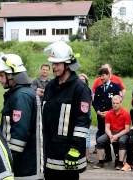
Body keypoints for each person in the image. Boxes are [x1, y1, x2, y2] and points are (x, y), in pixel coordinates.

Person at [0, 53, 44, 179]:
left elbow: (20, 133)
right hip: (24, 163)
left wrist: (7, 160)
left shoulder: (21, 96)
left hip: (24, 167)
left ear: (13, 76)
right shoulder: (19, 93)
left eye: (2, 75)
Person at [42, 41, 91, 180]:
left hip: (68, 153)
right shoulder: (50, 86)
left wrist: (75, 149)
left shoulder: (80, 89)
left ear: (68, 64)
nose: (54, 67)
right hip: (50, 152)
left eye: (57, 64)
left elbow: (83, 121)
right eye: (53, 64)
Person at [92, 68, 121, 163]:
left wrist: (109, 112)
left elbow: (118, 102)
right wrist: (98, 111)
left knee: (113, 136)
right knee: (102, 136)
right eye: (100, 76)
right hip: (101, 117)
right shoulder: (98, 88)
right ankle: (108, 156)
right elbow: (95, 102)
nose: (101, 78)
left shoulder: (116, 87)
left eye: (103, 75)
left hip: (112, 117)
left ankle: (117, 157)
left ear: (108, 75)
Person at [94, 95, 130, 170]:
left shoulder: (126, 113)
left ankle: (120, 163)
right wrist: (110, 136)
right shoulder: (109, 113)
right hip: (111, 132)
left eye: (117, 103)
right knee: (100, 140)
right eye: (113, 103)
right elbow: (107, 128)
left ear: (120, 103)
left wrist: (116, 136)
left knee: (122, 141)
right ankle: (101, 162)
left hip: (122, 132)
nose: (115, 105)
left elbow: (127, 129)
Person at [78, 73, 93, 163]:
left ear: (86, 81)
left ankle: (87, 156)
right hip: (76, 116)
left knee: (87, 136)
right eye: (80, 80)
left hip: (86, 115)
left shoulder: (89, 90)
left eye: (83, 80)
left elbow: (90, 104)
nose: (81, 81)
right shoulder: (75, 90)